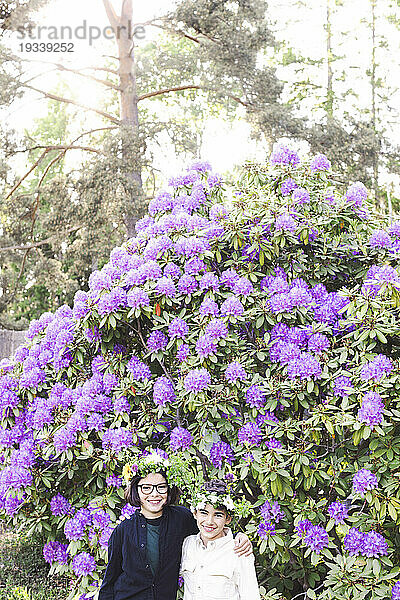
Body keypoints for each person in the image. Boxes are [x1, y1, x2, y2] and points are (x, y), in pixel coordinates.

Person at [98, 450, 252, 600]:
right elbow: (110, 581)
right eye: (146, 488)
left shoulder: (181, 518)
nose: (154, 494)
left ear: (168, 489)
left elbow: (209, 527)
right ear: (136, 490)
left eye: (161, 487)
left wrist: (239, 536)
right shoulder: (123, 530)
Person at [180, 480, 260, 600]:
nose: (209, 521)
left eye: (218, 515)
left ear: (228, 519)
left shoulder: (240, 551)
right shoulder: (188, 544)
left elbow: (251, 595)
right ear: (195, 513)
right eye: (204, 513)